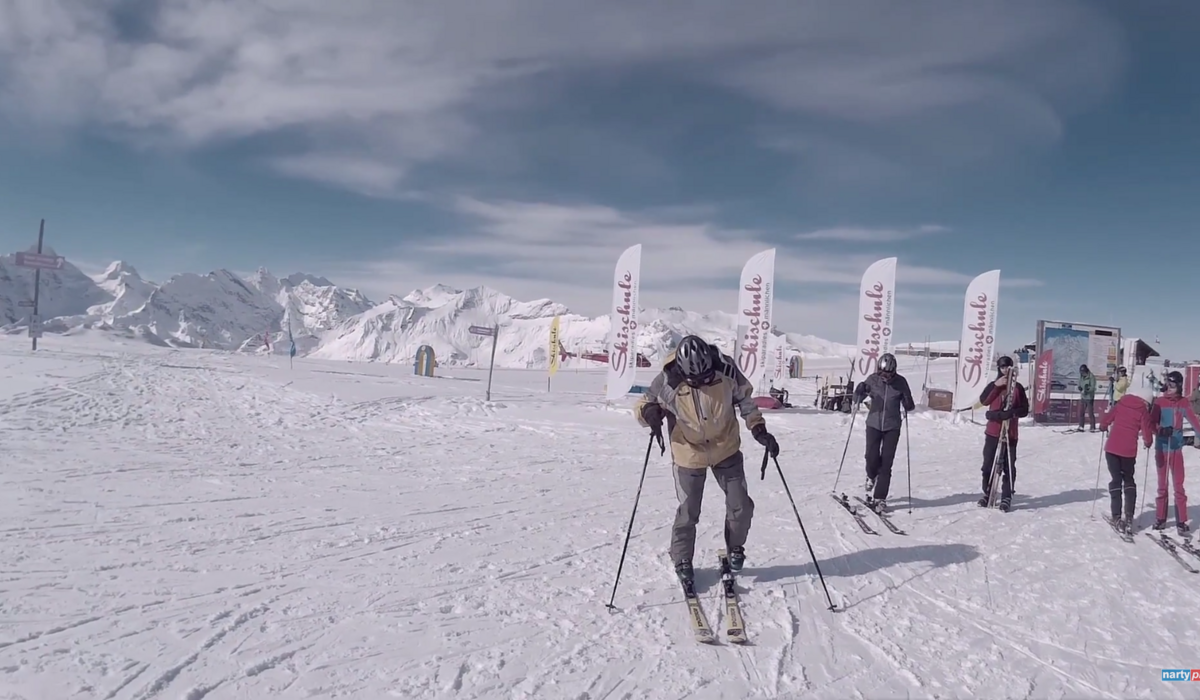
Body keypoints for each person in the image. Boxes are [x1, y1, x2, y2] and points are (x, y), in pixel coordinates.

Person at [634, 335, 779, 582]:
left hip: (726, 447)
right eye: (694, 380)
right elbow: (642, 404)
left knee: (741, 505)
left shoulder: (726, 370)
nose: (701, 382)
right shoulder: (669, 379)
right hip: (688, 452)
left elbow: (745, 400)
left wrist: (758, 428)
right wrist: (650, 413)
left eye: (705, 378)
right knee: (688, 511)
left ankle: (735, 546)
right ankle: (681, 558)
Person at [852, 352, 916, 513]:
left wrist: (908, 402)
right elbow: (857, 398)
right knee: (871, 457)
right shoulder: (872, 380)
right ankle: (871, 476)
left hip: (892, 426)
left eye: (888, 373)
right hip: (873, 423)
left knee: (886, 463)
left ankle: (880, 497)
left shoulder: (901, 382)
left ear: (894, 371)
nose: (885, 376)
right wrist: (859, 391)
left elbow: (910, 406)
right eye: (882, 373)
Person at [1099, 384, 1155, 533]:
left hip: (1112, 449)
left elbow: (1107, 419)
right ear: (1146, 401)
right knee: (1129, 480)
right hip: (1128, 451)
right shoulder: (1143, 410)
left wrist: (1103, 426)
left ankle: (1116, 516)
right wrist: (1148, 443)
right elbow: (1147, 431)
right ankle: (1129, 516)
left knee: (1116, 480)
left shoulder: (1121, 402)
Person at [1149, 370, 1200, 536]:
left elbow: (1194, 422)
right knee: (1162, 486)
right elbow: (1151, 424)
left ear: (1178, 386)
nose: (1170, 388)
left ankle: (1181, 521)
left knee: (1179, 486)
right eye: (1168, 384)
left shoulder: (1183, 403)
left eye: (1173, 385)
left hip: (1176, 450)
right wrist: (1160, 430)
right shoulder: (1160, 402)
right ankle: (1160, 518)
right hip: (1162, 450)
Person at [977, 355, 1030, 511]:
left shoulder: (1018, 388)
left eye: (1008, 367)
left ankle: (1007, 496)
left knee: (1008, 465)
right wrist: (995, 385)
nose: (1005, 370)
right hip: (993, 431)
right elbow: (984, 401)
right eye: (1002, 367)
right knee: (988, 465)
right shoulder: (994, 385)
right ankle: (987, 492)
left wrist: (1012, 413)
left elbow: (1025, 410)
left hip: (1010, 433)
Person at [1078, 364, 1097, 431]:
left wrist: (1087, 390)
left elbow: (1093, 387)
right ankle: (1081, 426)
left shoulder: (1091, 377)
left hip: (1089, 397)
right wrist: (1079, 387)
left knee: (1090, 412)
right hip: (1083, 397)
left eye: (1083, 372)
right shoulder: (1081, 376)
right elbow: (1080, 383)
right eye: (1081, 373)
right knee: (1081, 412)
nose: (1082, 374)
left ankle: (1092, 427)